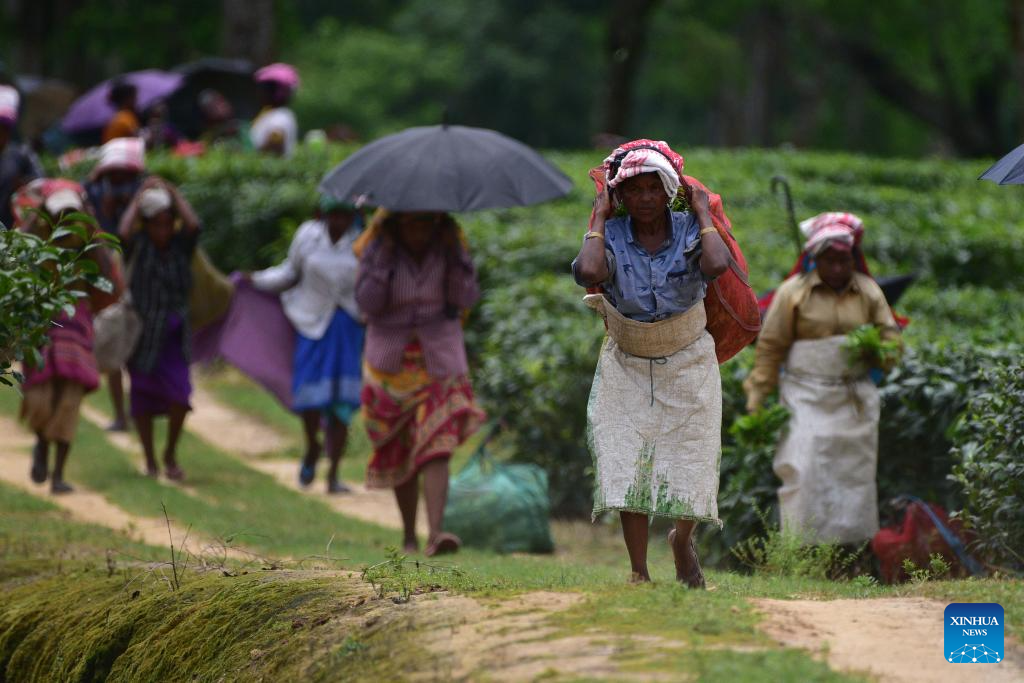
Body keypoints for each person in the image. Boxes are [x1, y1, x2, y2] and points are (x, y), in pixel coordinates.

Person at [572, 141, 730, 586]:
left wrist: (702, 214)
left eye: (653, 188)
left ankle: (682, 541)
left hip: (689, 357)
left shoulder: (690, 228)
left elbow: (717, 265)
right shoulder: (611, 234)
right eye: (633, 189)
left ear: (667, 192)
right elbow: (588, 273)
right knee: (626, 459)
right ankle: (638, 571)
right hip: (627, 360)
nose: (644, 198)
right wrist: (598, 218)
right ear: (620, 197)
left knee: (693, 455)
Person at [744, 212, 902, 547]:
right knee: (804, 464)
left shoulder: (869, 292)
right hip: (805, 394)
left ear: (852, 259)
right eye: (828, 261)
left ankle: (851, 549)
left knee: (853, 474)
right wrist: (757, 398)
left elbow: (891, 337)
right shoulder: (793, 293)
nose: (836, 268)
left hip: (853, 396)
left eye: (843, 260)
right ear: (815, 261)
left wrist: (880, 354)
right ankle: (804, 548)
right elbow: (771, 347)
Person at [354, 209, 485, 556]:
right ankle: (410, 535)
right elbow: (366, 302)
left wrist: (456, 257)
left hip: (438, 357)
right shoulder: (376, 248)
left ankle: (436, 533)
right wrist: (383, 261)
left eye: (426, 222)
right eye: (412, 222)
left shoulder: (449, 245)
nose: (419, 230)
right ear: (397, 222)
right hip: (389, 361)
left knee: (436, 440)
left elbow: (465, 299)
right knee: (400, 446)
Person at [250, 197, 365, 493]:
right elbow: (289, 274)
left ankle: (334, 474)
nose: (339, 222)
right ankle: (313, 447)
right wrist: (254, 280)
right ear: (323, 215)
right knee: (310, 397)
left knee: (341, 405)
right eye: (334, 215)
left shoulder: (364, 242)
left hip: (347, 327)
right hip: (311, 324)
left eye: (345, 216)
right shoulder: (307, 236)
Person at [18, 183, 100, 494]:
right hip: (42, 330)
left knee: (69, 403)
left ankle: (58, 475)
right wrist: (36, 215)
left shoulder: (86, 248)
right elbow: (15, 254)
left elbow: (107, 274)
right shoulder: (37, 246)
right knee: (40, 399)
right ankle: (41, 445)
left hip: (75, 333)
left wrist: (92, 224)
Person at [118, 177, 200, 480]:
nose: (163, 230)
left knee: (181, 395)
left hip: (175, 338)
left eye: (168, 224)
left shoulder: (181, 247)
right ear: (147, 224)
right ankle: (151, 458)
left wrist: (171, 191)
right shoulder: (138, 246)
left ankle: (170, 454)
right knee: (141, 398)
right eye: (156, 224)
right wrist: (140, 197)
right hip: (142, 336)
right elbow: (123, 232)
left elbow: (194, 225)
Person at [83, 137, 146, 432]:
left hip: (137, 276)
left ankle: (135, 411)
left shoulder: (140, 195)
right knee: (115, 349)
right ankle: (122, 415)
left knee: (135, 349)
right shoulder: (95, 192)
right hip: (109, 280)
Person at [0, 85, 43, 229]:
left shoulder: (21, 155)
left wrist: (23, 186)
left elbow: (41, 184)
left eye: (4, 129)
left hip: (11, 229)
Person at [250, 63, 299, 157]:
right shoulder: (270, 113)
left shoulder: (280, 116)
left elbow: (275, 145)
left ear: (277, 92)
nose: (258, 93)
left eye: (263, 89)